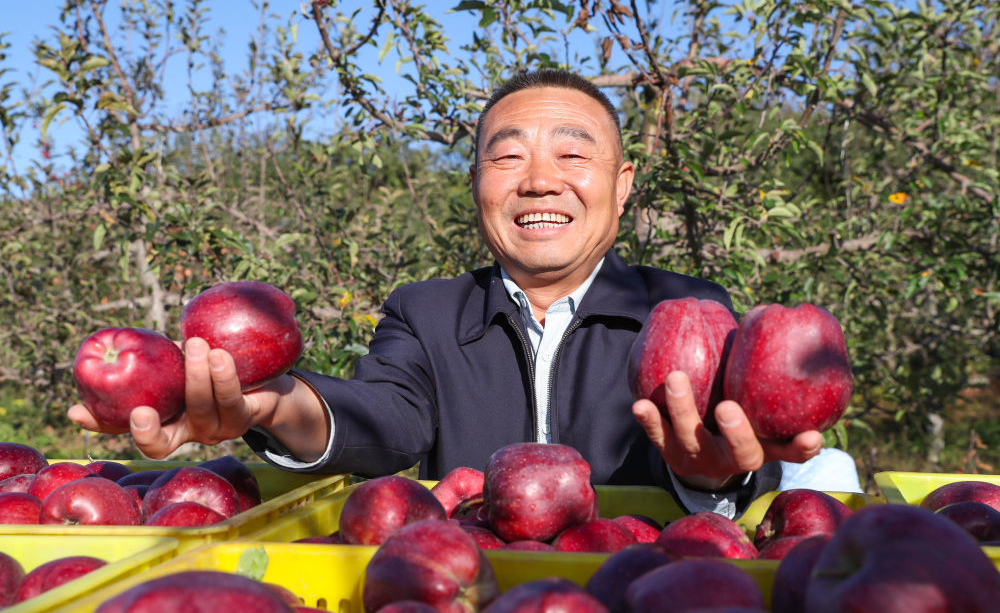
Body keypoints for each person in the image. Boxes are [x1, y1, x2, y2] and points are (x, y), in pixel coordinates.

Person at [69, 69, 860, 517]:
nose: (540, 179)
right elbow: (384, 417)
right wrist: (270, 405)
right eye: (506, 156)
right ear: (477, 183)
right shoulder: (427, 311)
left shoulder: (687, 310)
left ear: (622, 188)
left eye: (572, 154)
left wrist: (710, 474)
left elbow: (720, 466)